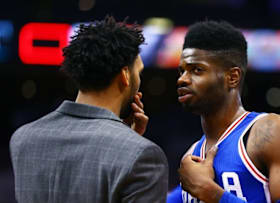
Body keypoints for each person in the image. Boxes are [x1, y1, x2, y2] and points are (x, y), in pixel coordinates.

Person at [10, 16, 168, 203]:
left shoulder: (23, 138)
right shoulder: (144, 155)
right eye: (138, 72)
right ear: (125, 74)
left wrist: (127, 138)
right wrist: (130, 143)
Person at [167, 21, 280, 203]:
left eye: (197, 70)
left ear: (232, 77)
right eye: (181, 71)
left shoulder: (271, 132)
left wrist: (212, 194)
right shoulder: (192, 155)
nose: (182, 79)